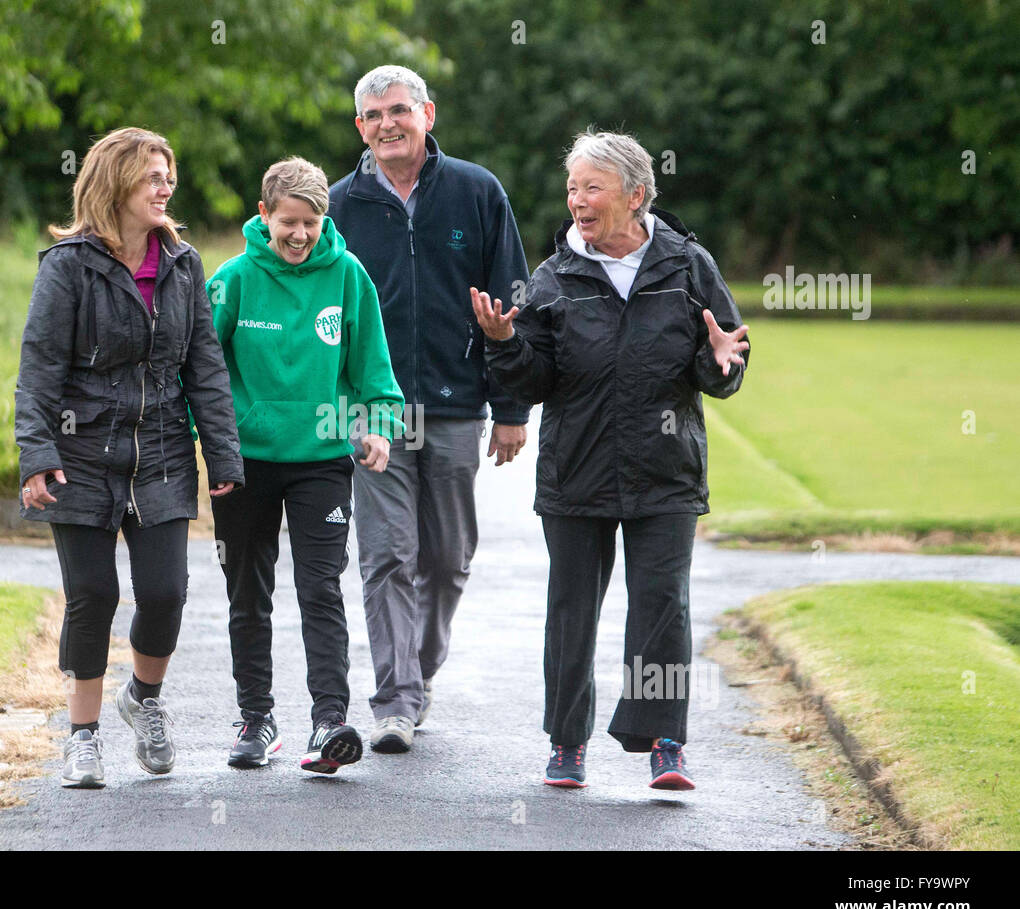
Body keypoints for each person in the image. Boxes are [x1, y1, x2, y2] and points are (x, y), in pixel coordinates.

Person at [473, 130, 749, 790]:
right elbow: (534, 381)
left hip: (667, 468)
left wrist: (721, 362)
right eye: (572, 188)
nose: (577, 200)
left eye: (591, 187)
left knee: (663, 604)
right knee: (572, 610)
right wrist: (505, 342)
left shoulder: (688, 265)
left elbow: (726, 362)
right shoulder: (552, 277)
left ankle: (665, 741)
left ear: (635, 194)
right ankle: (566, 743)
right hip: (577, 469)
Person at [15, 127, 244, 788]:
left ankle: (144, 698)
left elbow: (206, 367)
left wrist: (223, 455)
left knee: (166, 593)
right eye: (152, 177)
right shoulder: (68, 267)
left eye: (169, 176)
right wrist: (36, 453)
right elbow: (38, 369)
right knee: (92, 594)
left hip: (164, 452)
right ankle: (82, 737)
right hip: (80, 453)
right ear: (115, 183)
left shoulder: (183, 263)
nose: (165, 188)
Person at [328, 65, 531, 753]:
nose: (387, 124)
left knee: (447, 559)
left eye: (399, 110)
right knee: (387, 554)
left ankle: (418, 672)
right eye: (374, 115)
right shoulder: (339, 206)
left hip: (454, 404)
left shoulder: (477, 192)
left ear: (427, 115)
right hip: (372, 413)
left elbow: (512, 300)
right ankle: (394, 699)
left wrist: (511, 406)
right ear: (360, 127)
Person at [208, 157, 405, 774]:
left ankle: (328, 722)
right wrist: (207, 442)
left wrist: (380, 427)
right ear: (264, 215)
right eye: (287, 222)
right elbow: (200, 372)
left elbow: (375, 370)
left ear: (325, 219)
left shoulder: (348, 276)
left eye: (311, 223)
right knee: (249, 591)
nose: (298, 234)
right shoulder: (233, 280)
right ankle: (256, 719)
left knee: (321, 589)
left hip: (322, 460)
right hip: (244, 461)